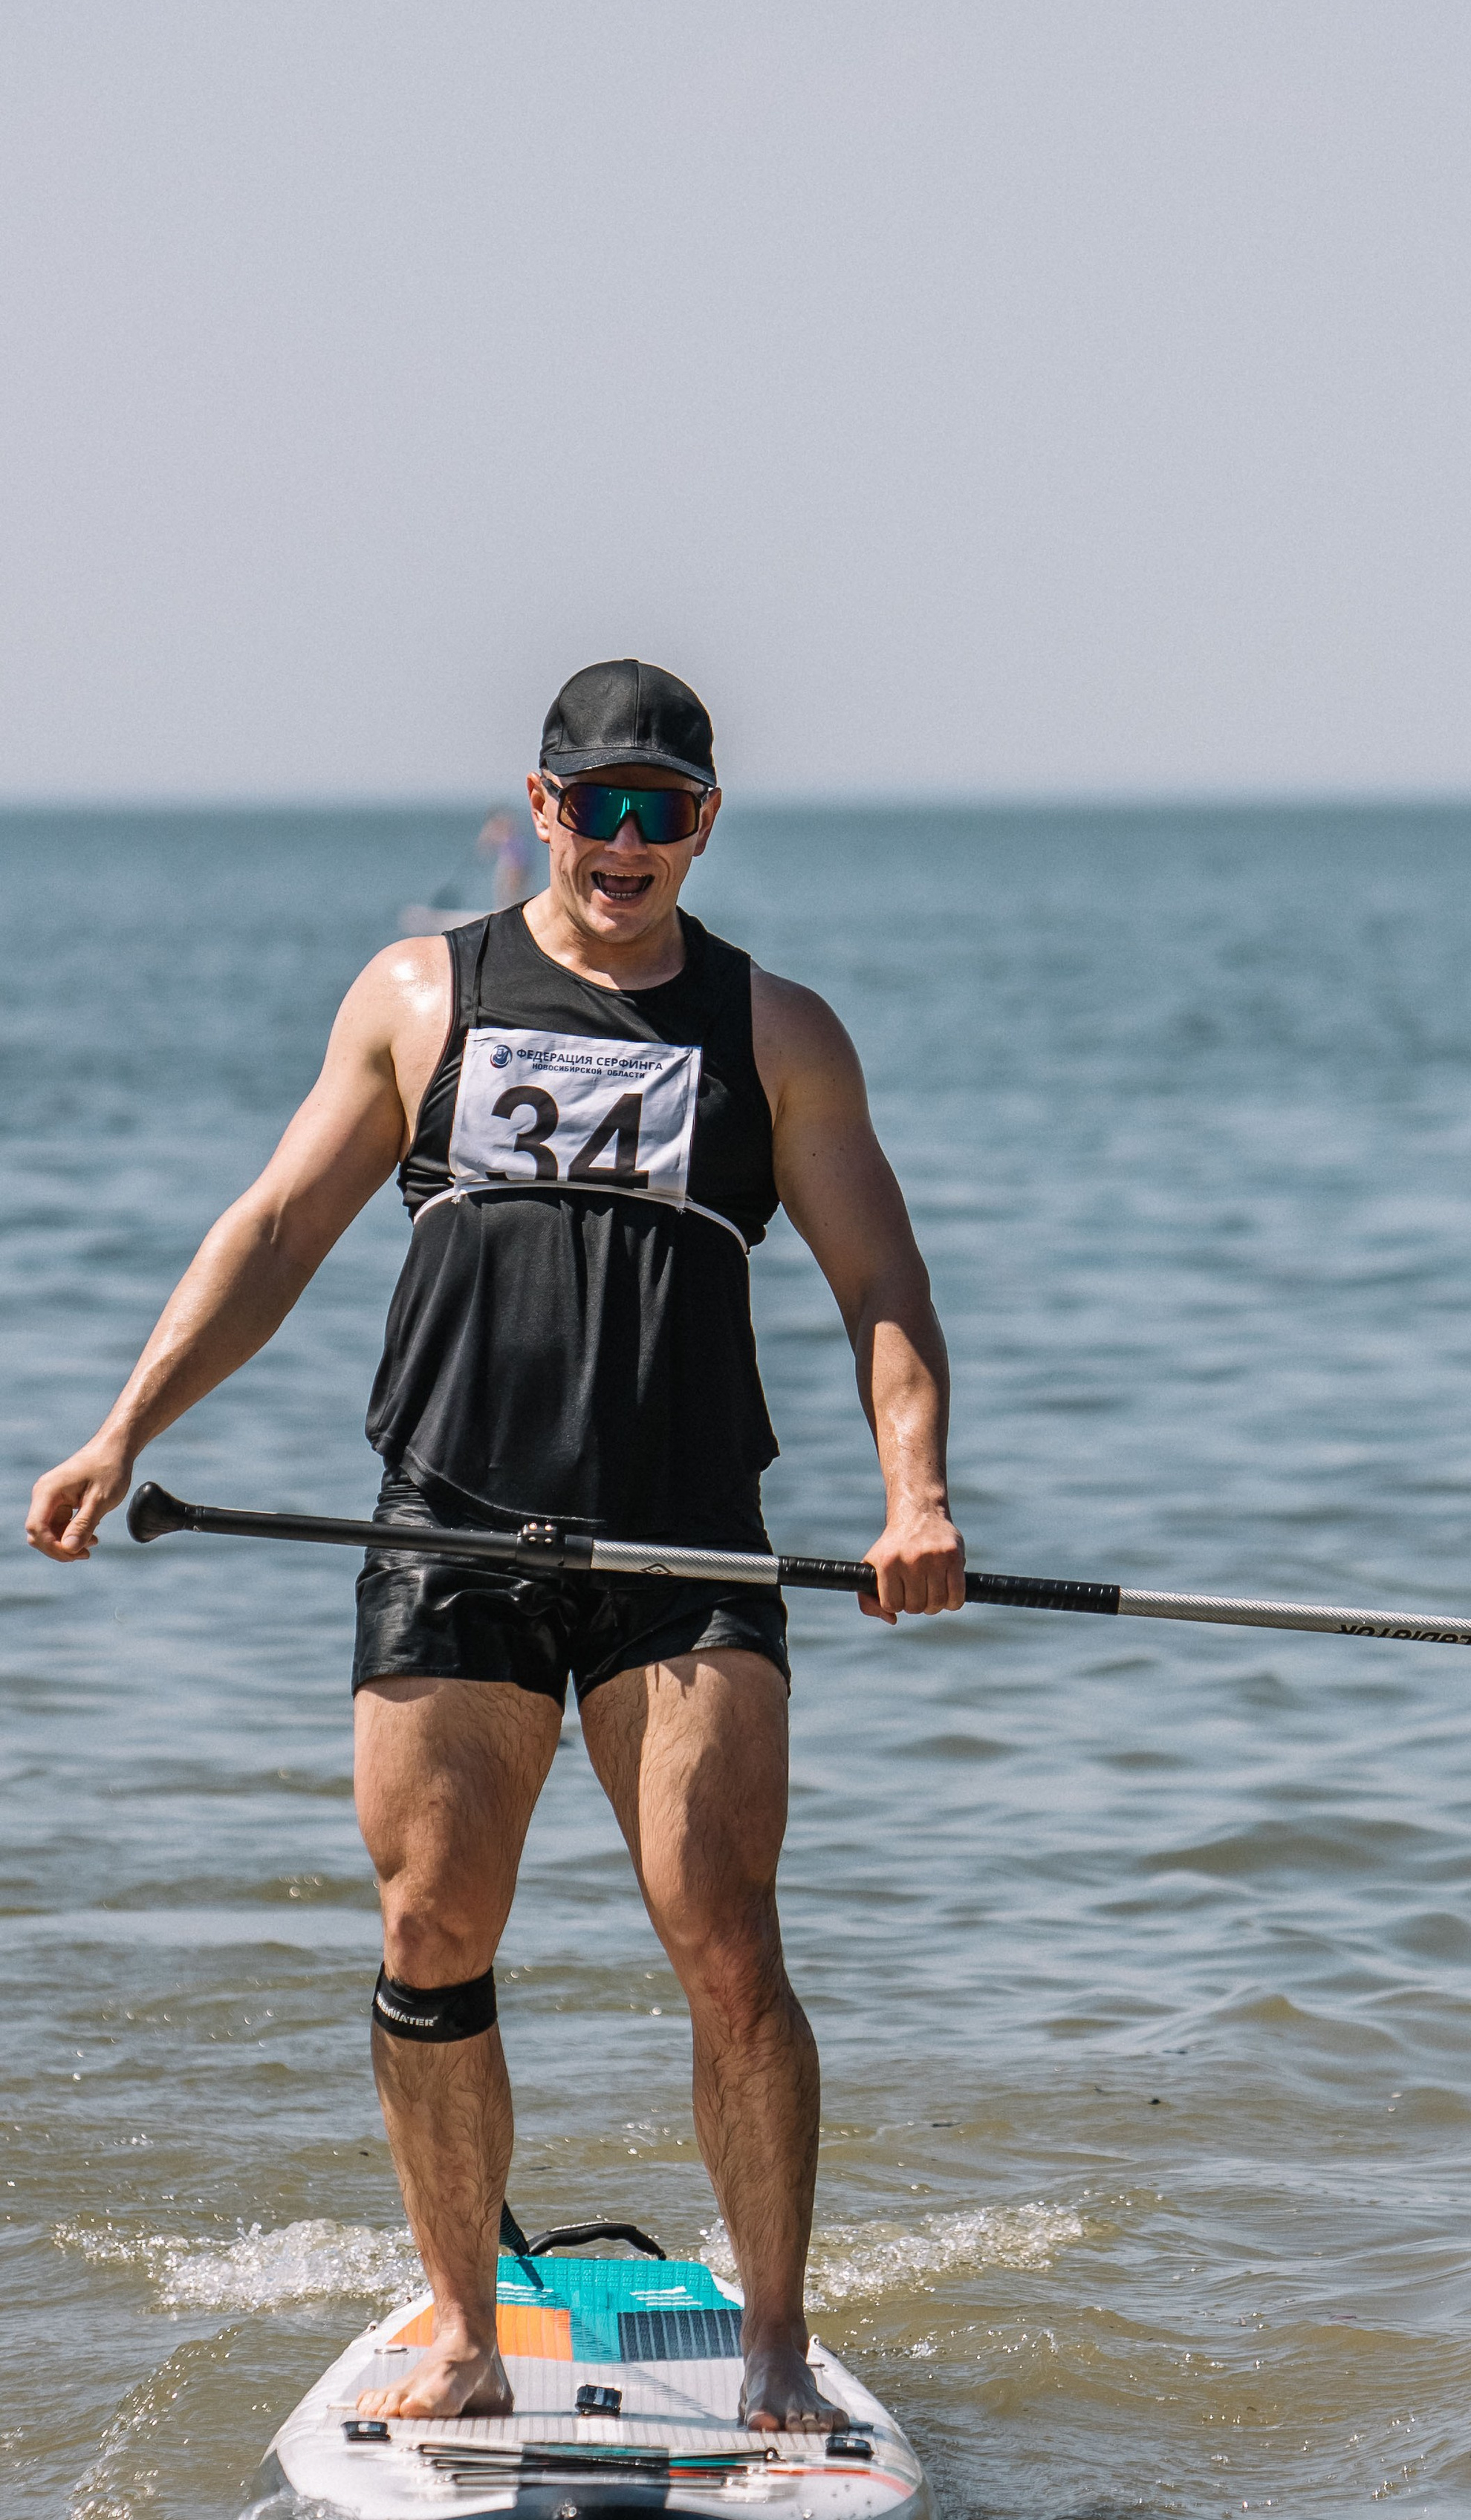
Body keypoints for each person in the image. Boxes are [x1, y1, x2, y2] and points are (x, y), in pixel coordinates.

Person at [25, 659, 965, 2431]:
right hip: (448, 1524)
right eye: (596, 804)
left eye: (660, 810)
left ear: (704, 825)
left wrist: (912, 1494)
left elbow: (883, 1287)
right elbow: (276, 1231)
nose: (625, 841)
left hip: (682, 1546)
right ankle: (464, 2325)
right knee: (428, 1926)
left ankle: (773, 2344)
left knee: (726, 1944)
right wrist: (123, 1431)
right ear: (541, 807)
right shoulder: (418, 994)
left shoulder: (775, 1032)